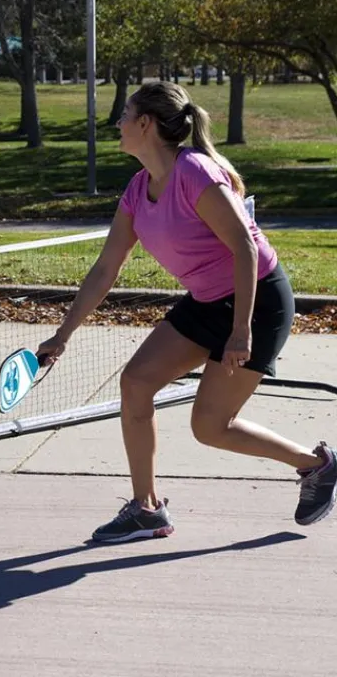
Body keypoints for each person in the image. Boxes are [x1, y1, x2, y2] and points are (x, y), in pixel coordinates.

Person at [37, 81, 335, 543]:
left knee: (210, 427)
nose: (118, 122)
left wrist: (240, 331)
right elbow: (104, 270)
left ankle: (317, 466)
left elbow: (245, 249)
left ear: (146, 123)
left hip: (257, 300)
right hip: (207, 302)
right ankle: (146, 509)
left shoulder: (195, 172)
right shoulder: (138, 189)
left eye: (125, 113)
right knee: (135, 383)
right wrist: (63, 334)